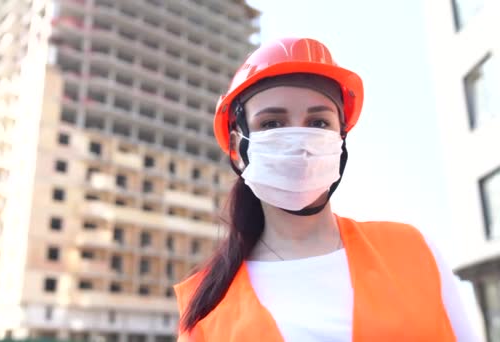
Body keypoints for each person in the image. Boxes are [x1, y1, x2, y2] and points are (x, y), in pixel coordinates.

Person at [173, 38, 478, 341]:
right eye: (272, 123)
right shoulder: (206, 310)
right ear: (238, 147)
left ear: (341, 140)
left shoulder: (413, 252)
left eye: (318, 122)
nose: (299, 140)